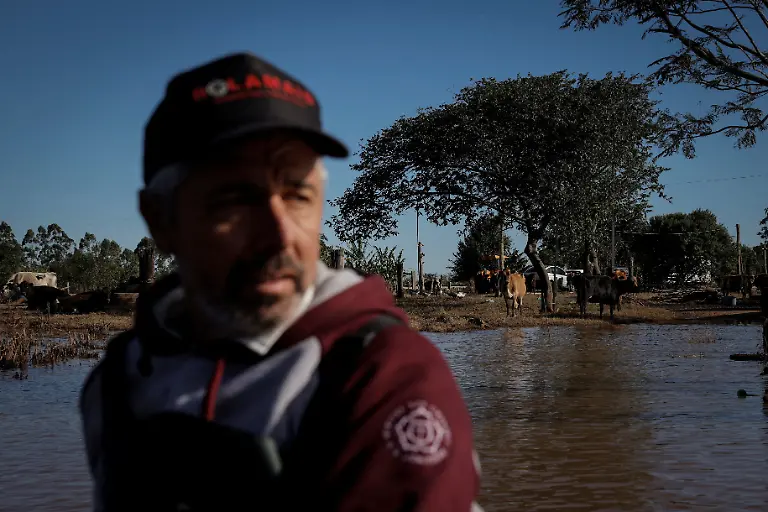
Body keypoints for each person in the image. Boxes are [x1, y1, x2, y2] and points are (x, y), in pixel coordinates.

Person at [78, 52, 483, 511]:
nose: (279, 235)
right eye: (236, 199)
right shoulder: (117, 383)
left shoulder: (382, 374)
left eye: (297, 194)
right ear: (160, 219)